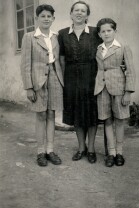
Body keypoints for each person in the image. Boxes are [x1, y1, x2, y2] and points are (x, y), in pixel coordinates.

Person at [20, 4, 64, 167]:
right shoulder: (29, 37)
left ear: (53, 19)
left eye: (49, 16)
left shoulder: (56, 36)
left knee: (52, 114)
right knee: (40, 115)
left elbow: (59, 60)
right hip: (38, 80)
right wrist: (29, 87)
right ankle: (40, 152)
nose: (46, 18)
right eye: (42, 16)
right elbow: (25, 64)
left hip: (54, 77)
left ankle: (50, 150)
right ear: (36, 19)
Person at [58, 1, 100, 163]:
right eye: (76, 10)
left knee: (91, 113)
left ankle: (91, 149)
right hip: (71, 77)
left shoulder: (96, 32)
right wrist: (64, 80)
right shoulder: (62, 34)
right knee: (76, 114)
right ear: (71, 14)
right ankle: (81, 147)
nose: (79, 13)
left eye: (83, 11)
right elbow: (61, 59)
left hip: (91, 76)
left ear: (87, 15)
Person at [93, 18, 134, 168]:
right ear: (99, 34)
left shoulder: (122, 47)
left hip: (119, 87)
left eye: (109, 30)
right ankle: (111, 152)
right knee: (107, 120)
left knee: (119, 119)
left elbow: (130, 70)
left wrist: (128, 91)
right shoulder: (98, 49)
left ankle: (120, 152)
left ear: (115, 31)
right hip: (101, 88)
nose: (106, 33)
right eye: (103, 31)